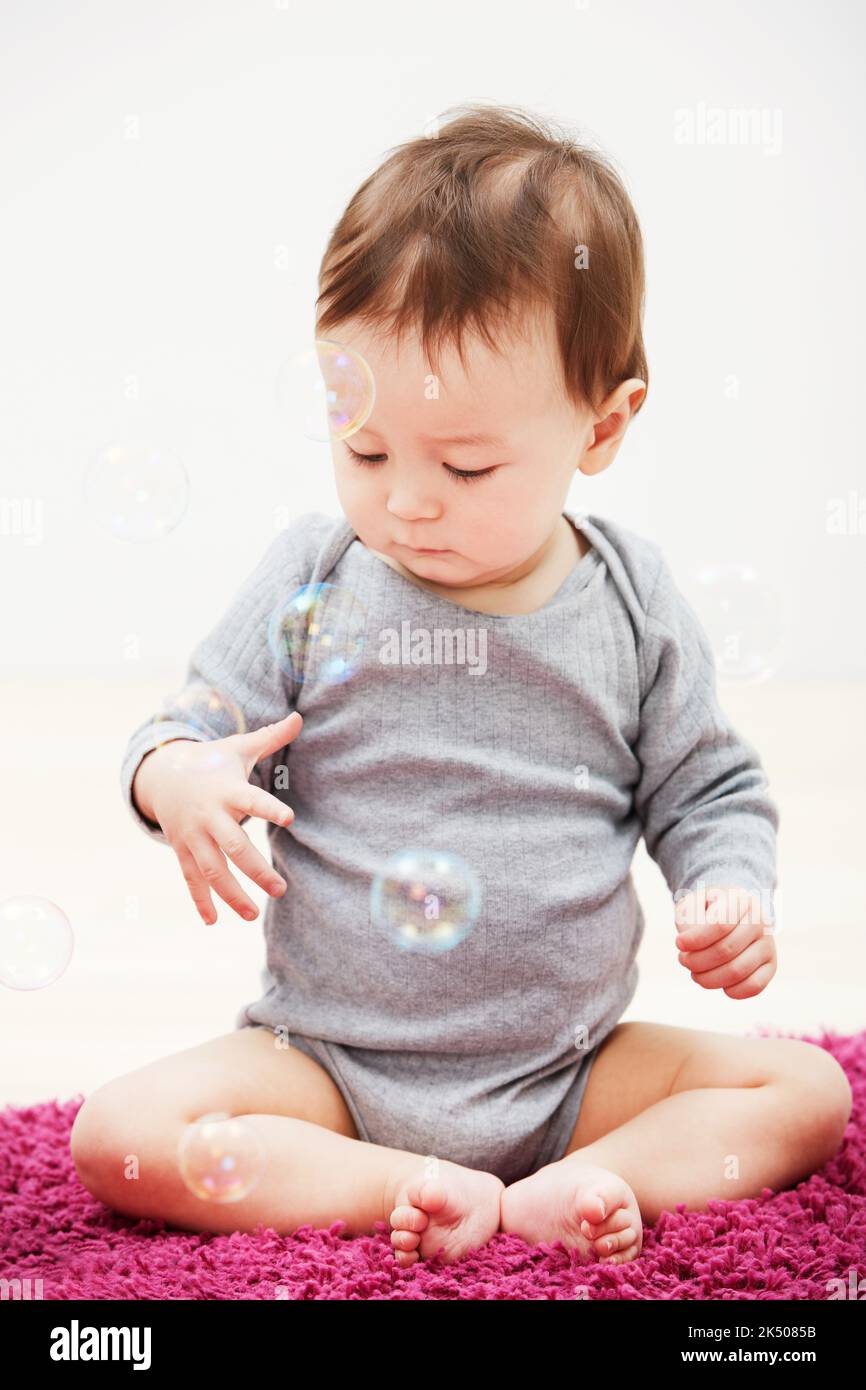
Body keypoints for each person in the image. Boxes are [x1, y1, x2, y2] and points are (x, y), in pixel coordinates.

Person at [70, 104, 851, 1268]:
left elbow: (709, 789)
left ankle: (589, 1180)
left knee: (804, 1090)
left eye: (466, 463)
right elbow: (185, 727)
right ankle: (401, 1182)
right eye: (365, 450)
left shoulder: (629, 599)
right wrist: (174, 776)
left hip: (574, 1066)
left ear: (604, 423)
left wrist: (724, 891)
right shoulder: (314, 573)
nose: (407, 501)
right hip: (328, 1064)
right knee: (116, 1135)